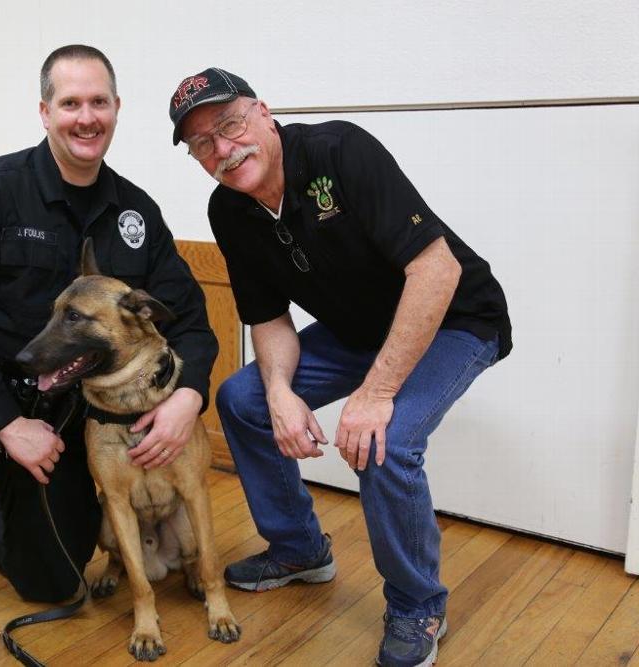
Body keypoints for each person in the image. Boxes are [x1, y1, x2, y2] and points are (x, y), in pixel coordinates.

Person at [0, 45, 217, 667]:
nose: (86, 118)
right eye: (70, 103)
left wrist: (188, 397)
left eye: (99, 103)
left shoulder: (135, 212)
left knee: (56, 583)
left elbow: (189, 318)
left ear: (116, 110)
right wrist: (7, 424)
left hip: (70, 408)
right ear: (45, 111)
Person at [167, 67, 511, 667]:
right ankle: (300, 549)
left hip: (455, 317)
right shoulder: (229, 210)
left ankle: (417, 603)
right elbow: (269, 318)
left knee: (387, 439)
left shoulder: (340, 151)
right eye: (203, 143)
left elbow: (437, 271)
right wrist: (278, 391)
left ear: (265, 113)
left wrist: (377, 393)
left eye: (230, 124)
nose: (223, 148)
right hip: (362, 332)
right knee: (243, 400)